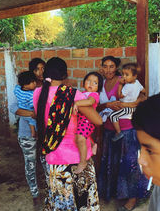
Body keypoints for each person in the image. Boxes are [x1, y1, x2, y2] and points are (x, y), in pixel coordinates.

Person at [33, 57, 102, 210]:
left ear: (45, 73)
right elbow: (97, 120)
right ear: (65, 74)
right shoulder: (72, 94)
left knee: (61, 202)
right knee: (84, 203)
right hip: (78, 158)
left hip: (54, 158)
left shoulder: (38, 94)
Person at [97, 56, 149, 211]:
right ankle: (114, 193)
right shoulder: (100, 83)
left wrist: (134, 103)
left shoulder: (125, 79)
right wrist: (107, 104)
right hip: (108, 128)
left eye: (111, 66)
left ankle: (133, 198)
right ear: (101, 68)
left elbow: (143, 95)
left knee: (130, 163)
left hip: (127, 128)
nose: (108, 70)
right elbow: (96, 106)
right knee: (112, 163)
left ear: (117, 68)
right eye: (105, 66)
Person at [13, 71, 40, 199]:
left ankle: (47, 188)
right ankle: (34, 191)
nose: (40, 72)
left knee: (44, 162)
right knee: (30, 163)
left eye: (42, 69)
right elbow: (13, 107)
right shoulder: (32, 93)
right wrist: (30, 113)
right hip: (26, 135)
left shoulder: (19, 89)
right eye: (37, 69)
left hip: (42, 133)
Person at [73, 71, 103, 174]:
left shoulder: (94, 94)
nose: (90, 84)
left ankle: (83, 162)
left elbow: (90, 102)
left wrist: (77, 103)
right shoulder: (82, 93)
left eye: (95, 83)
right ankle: (93, 145)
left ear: (98, 87)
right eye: (88, 81)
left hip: (87, 120)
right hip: (80, 119)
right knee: (83, 137)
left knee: (80, 138)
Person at [109, 63, 146, 141]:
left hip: (126, 108)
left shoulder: (127, 86)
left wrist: (120, 84)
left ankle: (118, 132)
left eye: (127, 75)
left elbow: (120, 96)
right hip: (132, 108)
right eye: (123, 74)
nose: (124, 77)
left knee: (113, 116)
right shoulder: (137, 83)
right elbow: (144, 90)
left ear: (134, 76)